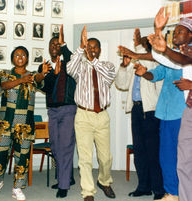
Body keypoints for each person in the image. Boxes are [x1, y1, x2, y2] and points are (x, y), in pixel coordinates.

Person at [0, 46, 51, 201]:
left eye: (23, 55)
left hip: (25, 125)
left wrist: (42, 74)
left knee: (22, 156)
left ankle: (17, 187)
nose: (20, 57)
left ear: (27, 58)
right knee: (1, 154)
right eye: (17, 55)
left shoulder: (32, 76)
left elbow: (38, 79)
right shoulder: (5, 74)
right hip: (5, 122)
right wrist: (21, 80)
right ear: (12, 58)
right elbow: (3, 87)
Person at [147, 10, 192, 201]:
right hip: (180, 111)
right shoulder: (181, 53)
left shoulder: (187, 52)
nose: (176, 35)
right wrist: (158, 31)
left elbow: (182, 61)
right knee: (173, 158)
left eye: (180, 32)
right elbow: (170, 61)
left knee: (183, 159)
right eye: (174, 32)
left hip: (180, 112)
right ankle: (173, 193)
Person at [67, 26, 116, 201]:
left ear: (100, 50)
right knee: (85, 158)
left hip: (102, 116)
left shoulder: (107, 66)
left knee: (105, 158)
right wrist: (81, 47)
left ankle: (104, 181)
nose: (92, 50)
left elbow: (108, 76)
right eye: (89, 47)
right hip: (83, 116)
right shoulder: (80, 68)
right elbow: (69, 67)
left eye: (95, 47)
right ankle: (88, 191)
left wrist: (92, 60)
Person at [115, 28, 165, 200]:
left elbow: (159, 88)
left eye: (144, 44)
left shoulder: (156, 63)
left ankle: (158, 189)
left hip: (151, 112)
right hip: (136, 110)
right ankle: (143, 186)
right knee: (139, 150)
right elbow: (121, 84)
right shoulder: (133, 65)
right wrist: (124, 65)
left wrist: (144, 71)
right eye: (141, 43)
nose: (141, 46)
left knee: (153, 151)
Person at [37, 25, 76, 198]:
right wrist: (50, 74)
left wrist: (64, 44)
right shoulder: (44, 66)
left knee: (66, 146)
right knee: (55, 146)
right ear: (48, 48)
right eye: (52, 45)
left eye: (57, 45)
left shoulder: (69, 62)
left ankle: (63, 185)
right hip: (52, 111)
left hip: (68, 109)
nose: (54, 47)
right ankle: (67, 177)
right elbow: (45, 88)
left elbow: (71, 58)